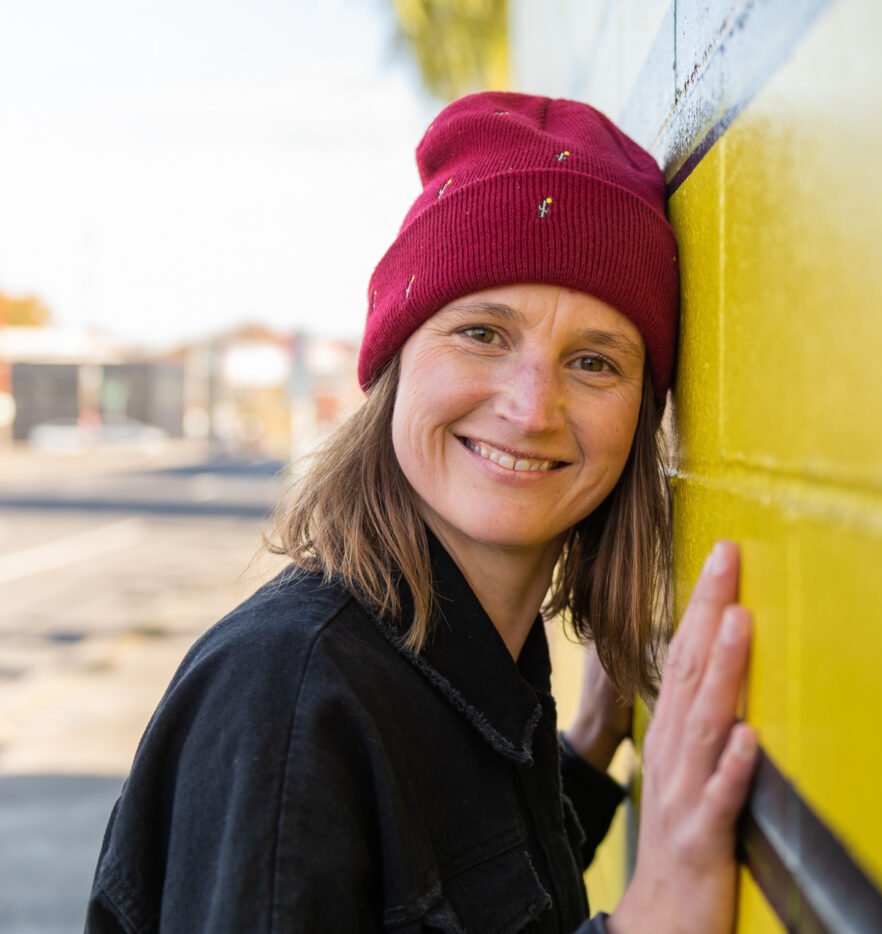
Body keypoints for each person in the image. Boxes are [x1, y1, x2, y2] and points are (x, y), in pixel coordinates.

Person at [86, 91, 758, 933]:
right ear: (395, 363)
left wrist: (583, 754)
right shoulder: (290, 700)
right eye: (482, 333)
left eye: (593, 361)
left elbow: (458, 887)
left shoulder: (476, 664)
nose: (533, 405)